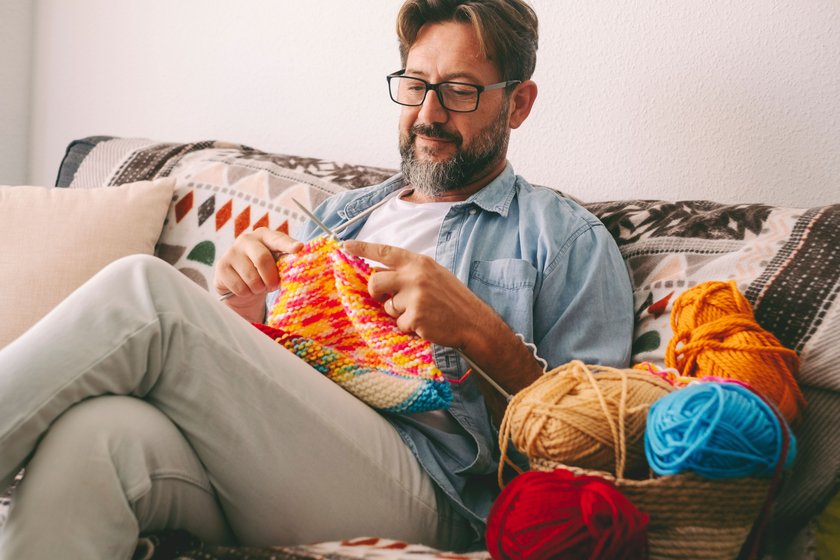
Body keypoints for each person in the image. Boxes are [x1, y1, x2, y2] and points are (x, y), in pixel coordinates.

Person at [0, 0, 633, 557]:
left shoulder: (566, 240)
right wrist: (244, 314)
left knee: (148, 291)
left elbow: (603, 454)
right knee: (96, 437)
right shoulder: (340, 217)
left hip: (433, 490)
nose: (428, 113)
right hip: (289, 462)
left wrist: (477, 330)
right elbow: (290, 375)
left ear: (518, 102)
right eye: (415, 86)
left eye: (461, 90)